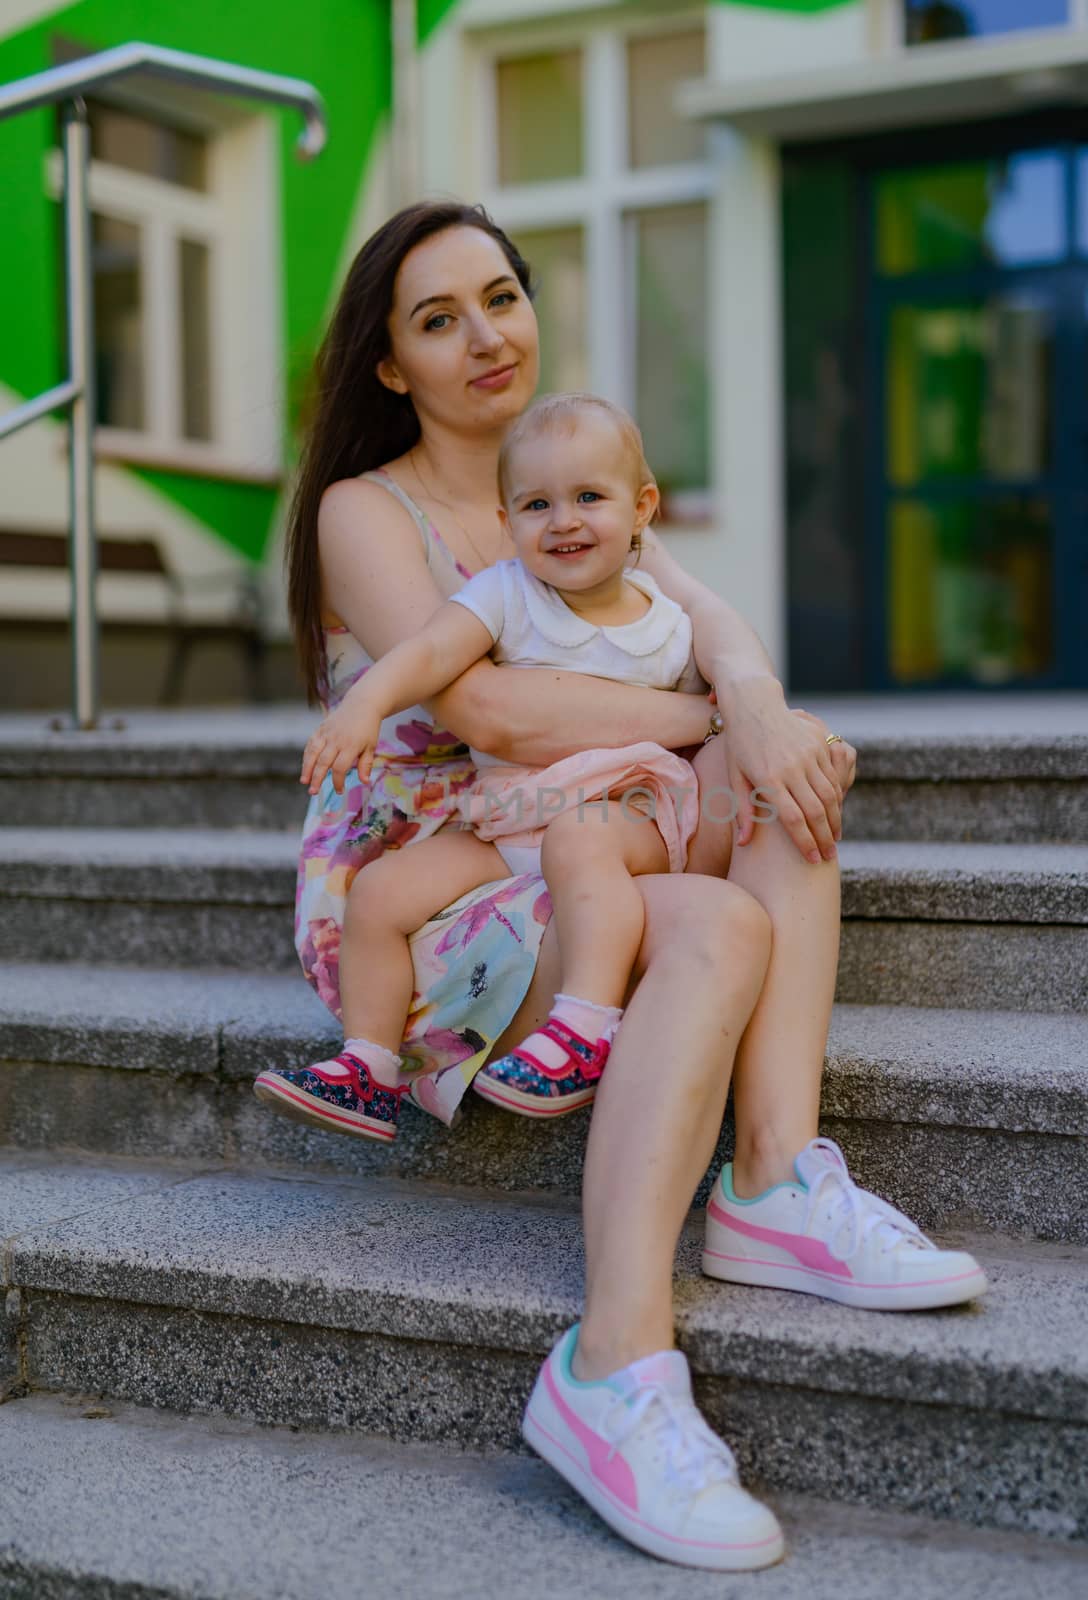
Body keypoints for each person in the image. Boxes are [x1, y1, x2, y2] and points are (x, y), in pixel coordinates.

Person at [255, 201, 988, 1572]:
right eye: (437, 319)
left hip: (591, 838)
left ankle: (773, 1182)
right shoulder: (372, 508)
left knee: (791, 795)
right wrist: (720, 722)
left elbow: (708, 623)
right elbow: (496, 716)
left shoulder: (577, 475)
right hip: (438, 880)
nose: (486, 335)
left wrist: (759, 705)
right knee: (714, 915)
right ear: (391, 366)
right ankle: (613, 1367)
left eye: (502, 296)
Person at [257, 392, 717, 1137]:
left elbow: (712, 717)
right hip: (506, 820)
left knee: (583, 843)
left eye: (589, 497)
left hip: (623, 817)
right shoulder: (505, 594)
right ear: (508, 526)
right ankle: (367, 1067)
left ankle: (583, 1027)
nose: (563, 520)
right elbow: (432, 652)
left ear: (643, 508)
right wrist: (365, 705)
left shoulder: (668, 624)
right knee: (378, 892)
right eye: (537, 504)